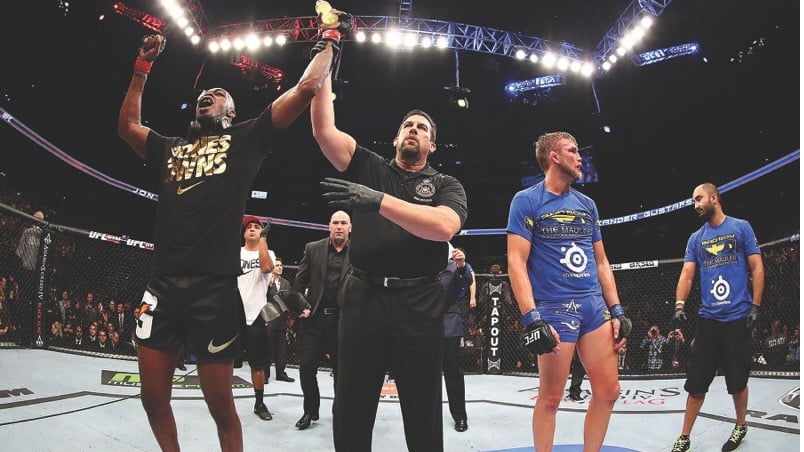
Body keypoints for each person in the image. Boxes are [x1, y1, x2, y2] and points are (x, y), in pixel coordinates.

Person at [116, 13, 345, 449]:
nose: (209, 94)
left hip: (214, 290)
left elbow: (305, 88)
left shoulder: (245, 139)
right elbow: (127, 128)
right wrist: (142, 68)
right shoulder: (171, 149)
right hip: (161, 287)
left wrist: (330, 40)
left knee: (220, 404)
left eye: (219, 94)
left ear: (232, 111)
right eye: (205, 93)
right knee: (152, 398)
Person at [310, 53, 468, 450]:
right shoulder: (369, 165)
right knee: (351, 404)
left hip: (420, 302)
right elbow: (323, 130)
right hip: (364, 297)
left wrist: (377, 200)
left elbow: (444, 226)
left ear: (432, 144)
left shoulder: (446, 184)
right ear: (396, 139)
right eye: (407, 126)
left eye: (422, 128)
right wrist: (324, 60)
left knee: (423, 407)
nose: (413, 130)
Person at [506, 131, 631, 451]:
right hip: (554, 308)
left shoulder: (587, 204)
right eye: (573, 151)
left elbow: (601, 262)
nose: (580, 158)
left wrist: (617, 309)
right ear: (554, 157)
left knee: (609, 392)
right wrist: (531, 318)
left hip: (594, 307)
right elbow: (516, 262)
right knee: (550, 398)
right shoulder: (526, 200)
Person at [670, 182, 765, 452]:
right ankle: (684, 437)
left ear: (714, 198)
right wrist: (679, 304)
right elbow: (687, 274)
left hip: (737, 317)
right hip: (708, 319)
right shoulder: (696, 238)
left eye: (699, 199)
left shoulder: (741, 227)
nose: (696, 205)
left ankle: (741, 425)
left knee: (737, 380)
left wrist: (755, 306)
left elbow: (757, 268)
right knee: (696, 382)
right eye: (693, 201)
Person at [291, 210, 352, 430]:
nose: (339, 226)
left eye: (343, 223)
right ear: (329, 226)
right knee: (306, 367)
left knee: (342, 373)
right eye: (335, 222)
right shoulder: (313, 248)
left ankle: (341, 412)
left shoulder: (359, 251)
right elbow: (299, 283)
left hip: (344, 322)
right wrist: (301, 307)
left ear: (350, 228)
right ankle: (310, 411)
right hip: (315, 320)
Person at [238, 215, 276, 421]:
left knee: (258, 364)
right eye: (249, 227)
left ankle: (259, 403)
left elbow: (266, 268)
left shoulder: (268, 253)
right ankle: (222, 401)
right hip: (234, 313)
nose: (253, 229)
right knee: (224, 361)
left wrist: (263, 239)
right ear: (244, 233)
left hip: (256, 316)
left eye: (257, 227)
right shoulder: (235, 253)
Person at [438, 246, 476, 432]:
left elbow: (467, 279)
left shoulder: (455, 266)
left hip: (449, 324)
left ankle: (460, 416)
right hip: (424, 324)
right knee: (425, 374)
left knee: (453, 372)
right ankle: (426, 416)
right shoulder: (422, 263)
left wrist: (461, 265)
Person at [14, 210, 45, 346]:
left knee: (25, 304)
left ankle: (24, 337)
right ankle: (30, 337)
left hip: (30, 273)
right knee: (33, 304)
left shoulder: (32, 233)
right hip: (37, 275)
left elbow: (19, 254)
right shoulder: (40, 234)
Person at [265, 257, 294, 383]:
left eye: (281, 265)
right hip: (269, 318)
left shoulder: (286, 283)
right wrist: (268, 285)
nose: (280, 267)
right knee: (267, 348)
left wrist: (290, 318)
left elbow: (289, 300)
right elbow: (263, 297)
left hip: (282, 320)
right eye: (277, 265)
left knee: (282, 349)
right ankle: (265, 374)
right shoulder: (266, 282)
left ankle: (280, 373)